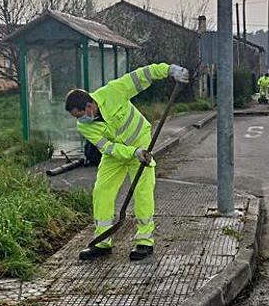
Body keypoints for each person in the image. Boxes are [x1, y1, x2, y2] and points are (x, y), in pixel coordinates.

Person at [66, 63, 190, 261]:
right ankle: (102, 241)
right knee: (102, 190)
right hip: (117, 153)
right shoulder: (83, 126)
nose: (80, 120)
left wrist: (169, 70)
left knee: (142, 190)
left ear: (89, 106)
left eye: (80, 115)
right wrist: (133, 153)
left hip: (142, 143)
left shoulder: (113, 91)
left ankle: (144, 241)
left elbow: (142, 75)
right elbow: (107, 148)